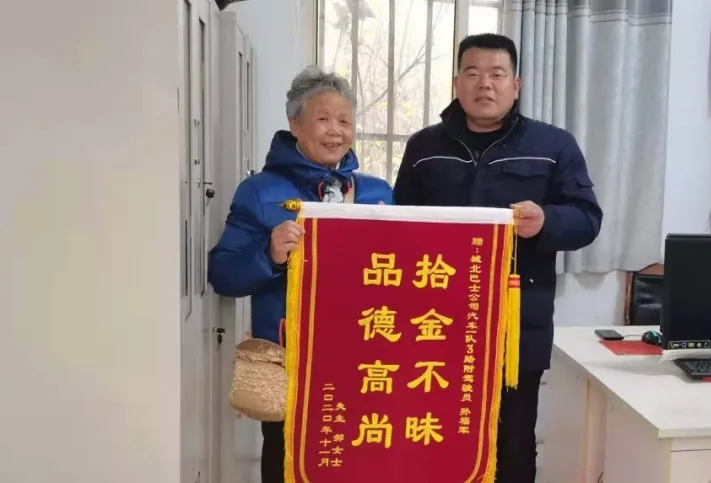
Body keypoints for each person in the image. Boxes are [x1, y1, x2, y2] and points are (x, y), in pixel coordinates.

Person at [393, 34, 602, 481]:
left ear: (516, 85)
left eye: (496, 74)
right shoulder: (423, 146)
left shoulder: (554, 145)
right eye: (472, 73)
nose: (484, 84)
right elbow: (399, 226)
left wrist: (546, 221)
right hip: (436, 322)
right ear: (456, 82)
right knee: (434, 433)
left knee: (513, 440)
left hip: (517, 323)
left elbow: (587, 219)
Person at [207, 66, 392, 483]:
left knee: (357, 460)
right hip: (290, 360)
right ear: (295, 124)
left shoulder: (377, 194)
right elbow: (223, 274)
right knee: (288, 460)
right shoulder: (260, 192)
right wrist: (270, 255)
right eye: (323, 118)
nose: (336, 131)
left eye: (344, 121)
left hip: (364, 358)